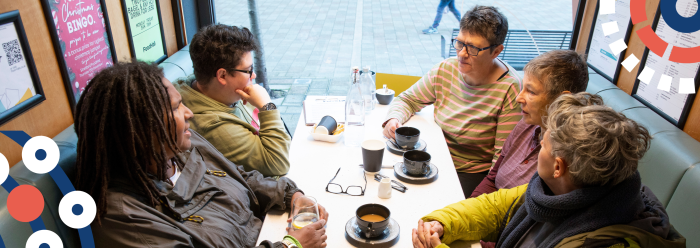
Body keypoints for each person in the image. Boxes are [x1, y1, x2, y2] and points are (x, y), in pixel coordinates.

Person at [74, 61, 329, 248]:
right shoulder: (124, 218)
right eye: (176, 107)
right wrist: (292, 245)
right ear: (141, 128)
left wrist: (290, 195)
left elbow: (239, 176)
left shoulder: (180, 148)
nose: (189, 113)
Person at [411, 93, 686, 248]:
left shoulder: (603, 242)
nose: (538, 146)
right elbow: (496, 208)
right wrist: (443, 223)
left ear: (558, 167)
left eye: (542, 144)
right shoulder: (559, 191)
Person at [383, 5, 522, 198]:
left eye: (473, 48)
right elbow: (408, 100)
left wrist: (479, 200)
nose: (462, 54)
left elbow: (501, 160)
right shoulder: (446, 69)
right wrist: (393, 119)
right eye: (460, 43)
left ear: (496, 51)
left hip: (469, 173)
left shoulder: (509, 88)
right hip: (433, 158)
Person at [470, 50, 589, 198]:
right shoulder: (526, 124)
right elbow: (492, 178)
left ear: (562, 100)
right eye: (523, 89)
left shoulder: (564, 158)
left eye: (531, 92)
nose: (519, 98)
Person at [175, 24, 290, 177]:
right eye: (248, 70)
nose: (253, 75)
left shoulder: (219, 91)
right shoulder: (214, 125)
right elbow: (279, 164)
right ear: (222, 76)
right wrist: (267, 107)